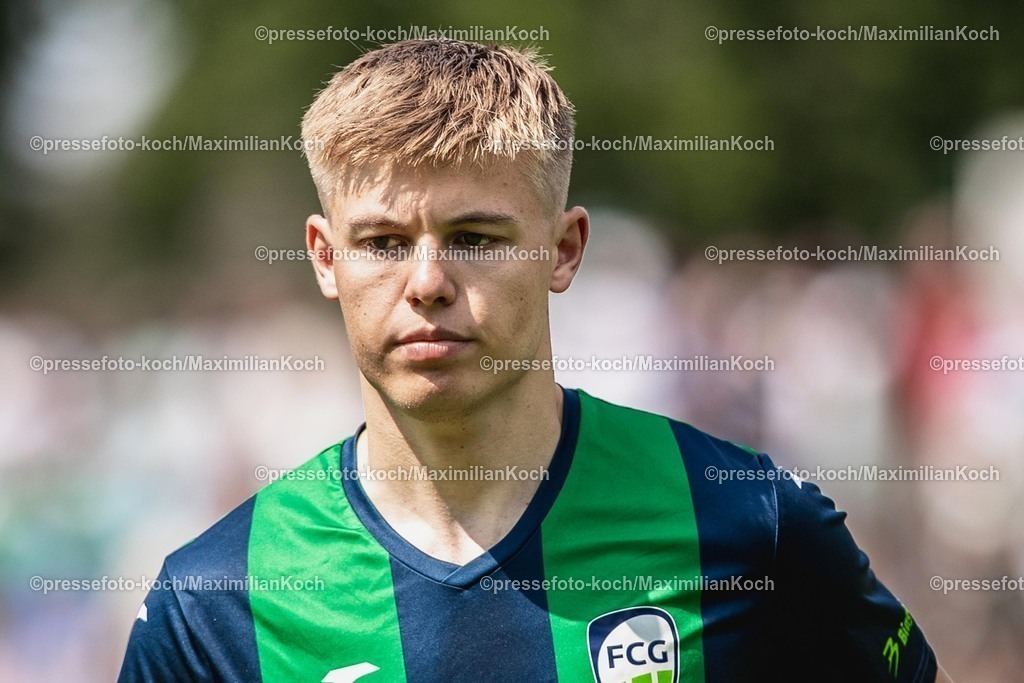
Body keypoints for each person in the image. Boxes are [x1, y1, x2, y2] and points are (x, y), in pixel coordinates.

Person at [118, 39, 951, 682]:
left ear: (564, 248)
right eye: (382, 242)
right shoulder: (215, 603)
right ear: (324, 257)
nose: (429, 282)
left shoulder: (747, 525)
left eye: (475, 238)